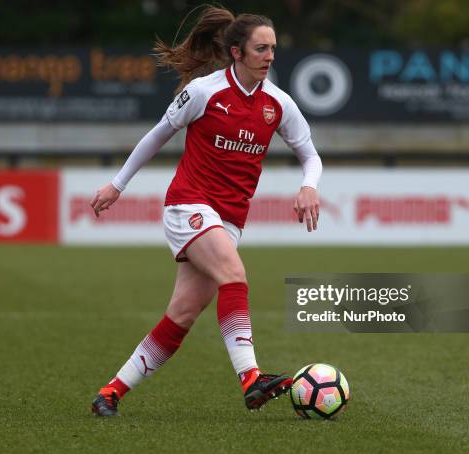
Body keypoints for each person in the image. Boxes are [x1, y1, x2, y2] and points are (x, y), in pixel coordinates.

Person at [90, 5, 322, 417]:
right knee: (235, 276)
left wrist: (309, 187)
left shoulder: (278, 103)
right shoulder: (203, 92)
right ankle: (251, 378)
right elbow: (157, 134)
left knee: (180, 315)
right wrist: (117, 184)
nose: (269, 56)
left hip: (229, 220)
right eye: (260, 49)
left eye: (273, 48)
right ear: (236, 52)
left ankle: (110, 392)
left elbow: (310, 155)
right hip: (188, 205)